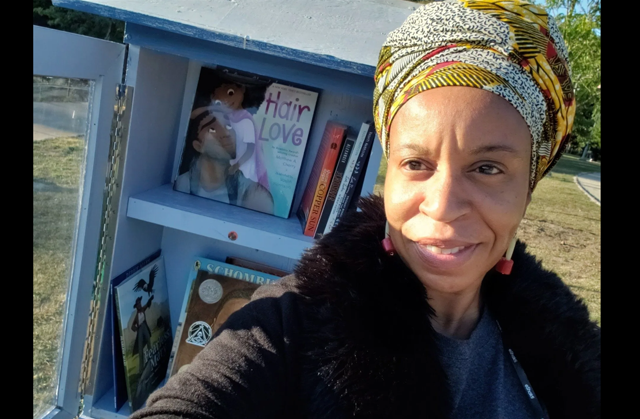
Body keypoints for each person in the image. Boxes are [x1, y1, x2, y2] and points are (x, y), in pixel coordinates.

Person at [133, 1, 600, 418]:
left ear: (530, 186)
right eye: (416, 163)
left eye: (488, 168)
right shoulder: (296, 319)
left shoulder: (570, 350)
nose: (442, 206)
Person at [175, 105, 274, 214]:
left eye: (228, 126)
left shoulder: (252, 195)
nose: (226, 134)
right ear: (198, 146)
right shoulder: (181, 185)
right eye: (212, 129)